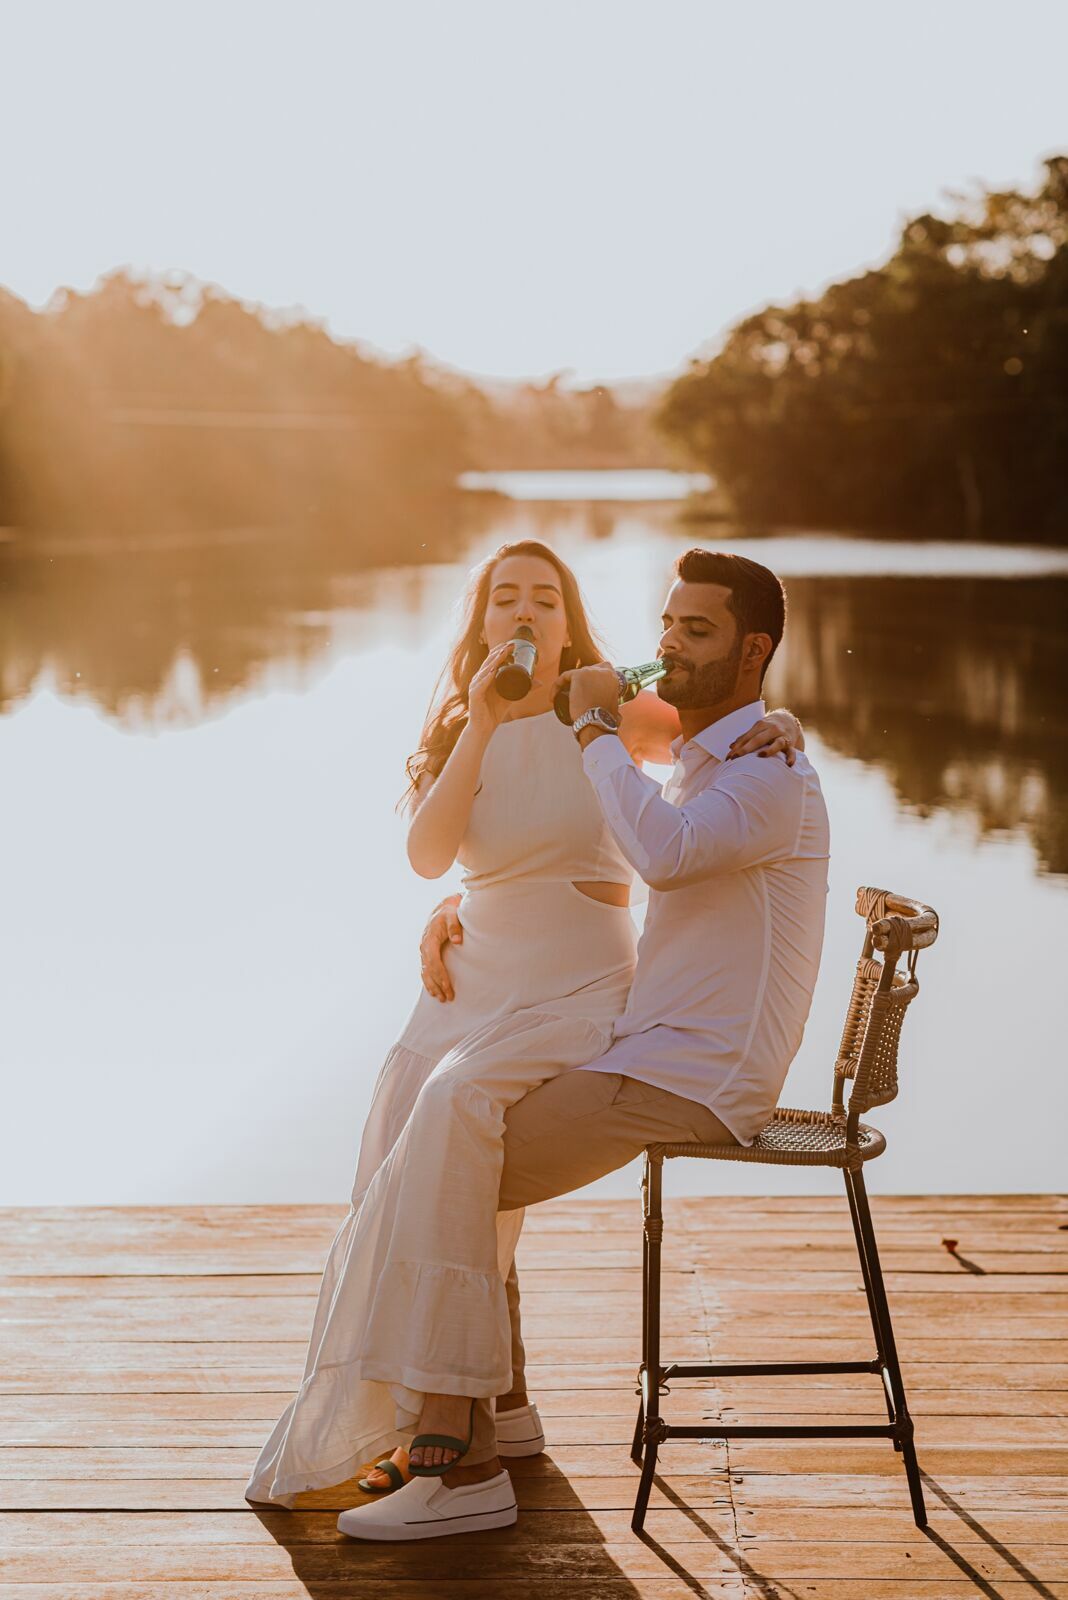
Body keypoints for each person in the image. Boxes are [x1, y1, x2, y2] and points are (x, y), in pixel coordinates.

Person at [244, 539, 801, 1509]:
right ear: (485, 621)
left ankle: (446, 1429)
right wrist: (482, 727)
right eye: (507, 598)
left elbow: (721, 730)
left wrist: (783, 720)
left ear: (570, 617)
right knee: (400, 1164)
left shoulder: (612, 705)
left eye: (547, 596)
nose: (527, 611)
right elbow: (430, 857)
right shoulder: (466, 722)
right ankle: (497, 1403)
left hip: (577, 981)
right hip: (470, 981)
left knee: (455, 1149)